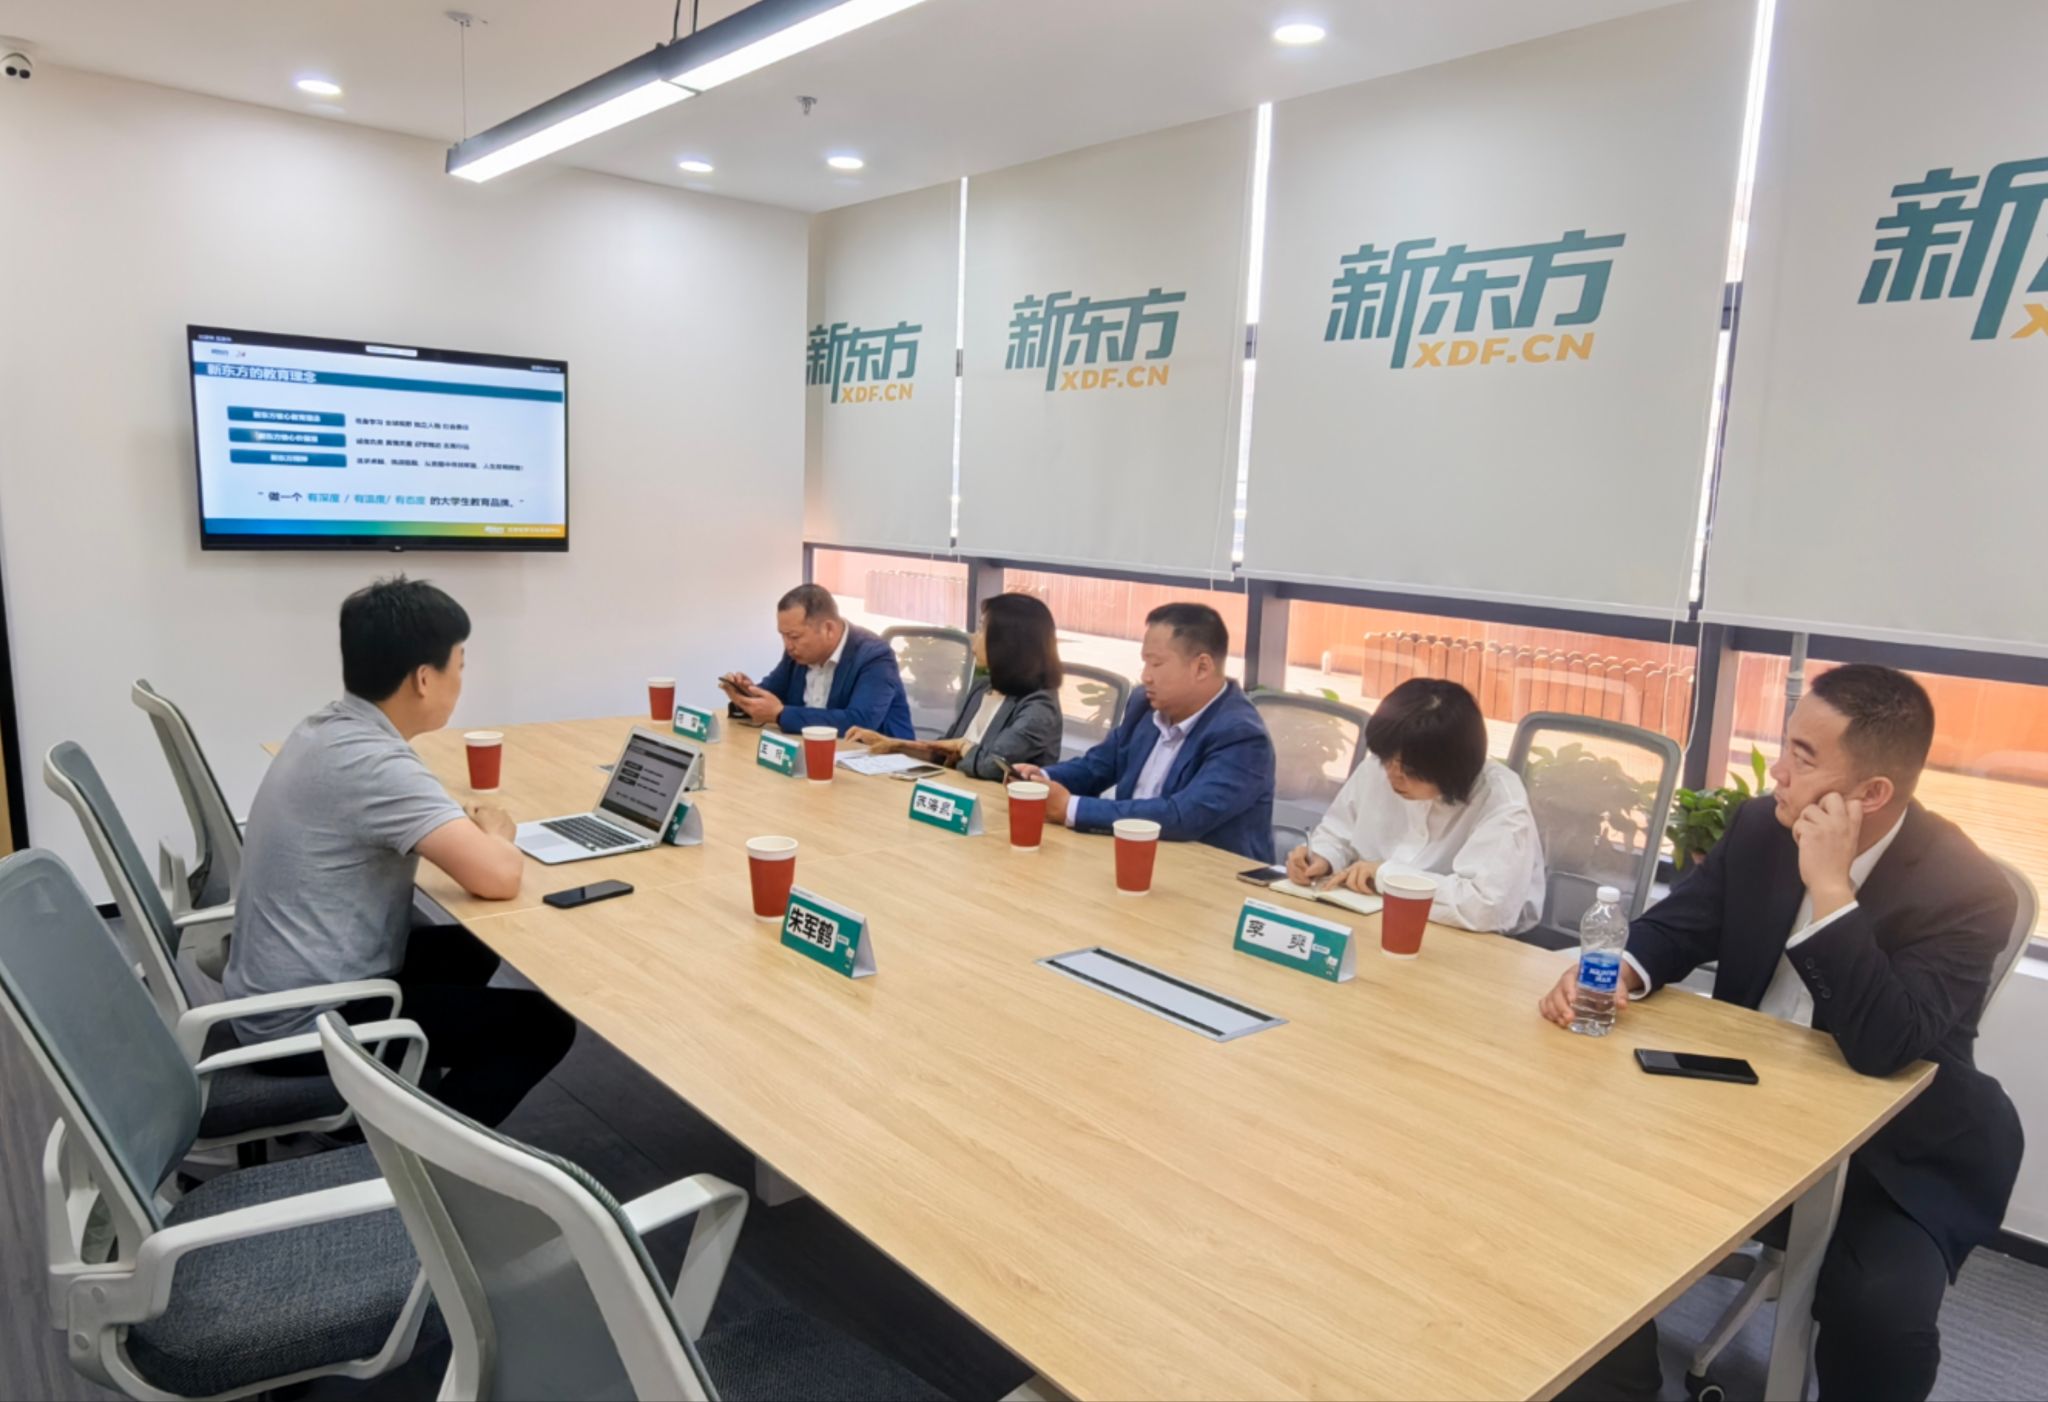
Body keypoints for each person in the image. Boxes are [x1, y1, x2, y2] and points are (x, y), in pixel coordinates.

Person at [1538, 665, 2022, 1402]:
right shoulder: (1760, 827)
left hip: (1891, 1151)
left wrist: (1831, 889)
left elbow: (1886, 1045)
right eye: (1785, 744)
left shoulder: (1966, 889)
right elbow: (1680, 924)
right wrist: (1619, 972)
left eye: (1803, 756)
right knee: (1574, 1192)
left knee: (1881, 1312)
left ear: (1871, 794)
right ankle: (1623, 1383)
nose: (1778, 773)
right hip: (1737, 1106)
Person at [224, 577, 574, 1128]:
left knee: (476, 949)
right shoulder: (374, 764)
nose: (462, 679)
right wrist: (497, 833)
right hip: (306, 1022)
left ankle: (401, 1090)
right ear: (424, 679)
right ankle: (419, 1155)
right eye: (460, 664)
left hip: (279, 986)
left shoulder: (329, 729)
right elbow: (498, 876)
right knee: (541, 1027)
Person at [1014, 602, 1276, 861]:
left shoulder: (1242, 736)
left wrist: (1072, 808)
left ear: (1202, 667)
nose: (1145, 676)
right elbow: (1098, 766)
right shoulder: (1145, 705)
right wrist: (1039, 779)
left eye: (1156, 664)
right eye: (1145, 663)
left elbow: (1184, 816)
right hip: (1133, 857)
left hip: (1206, 874)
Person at [1285, 678, 1546, 934]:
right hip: (1370, 918)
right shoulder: (1378, 767)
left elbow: (1484, 907)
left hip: (1467, 936)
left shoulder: (1500, 799)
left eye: (1410, 770)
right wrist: (1322, 857)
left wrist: (1385, 876)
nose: (1393, 775)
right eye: (1386, 758)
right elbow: (1338, 832)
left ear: (1453, 766)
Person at [848, 591, 1064, 779]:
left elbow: (991, 765)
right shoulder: (982, 688)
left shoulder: (1039, 706)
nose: (974, 638)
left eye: (982, 629)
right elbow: (945, 752)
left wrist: (963, 746)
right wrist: (892, 744)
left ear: (1008, 642)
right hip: (954, 792)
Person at [719, 583, 913, 739]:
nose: (787, 645)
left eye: (794, 636)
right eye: (783, 635)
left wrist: (780, 714)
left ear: (828, 629)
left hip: (880, 764)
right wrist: (746, 696)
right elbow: (772, 694)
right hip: (816, 755)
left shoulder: (875, 656)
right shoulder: (796, 654)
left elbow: (860, 721)